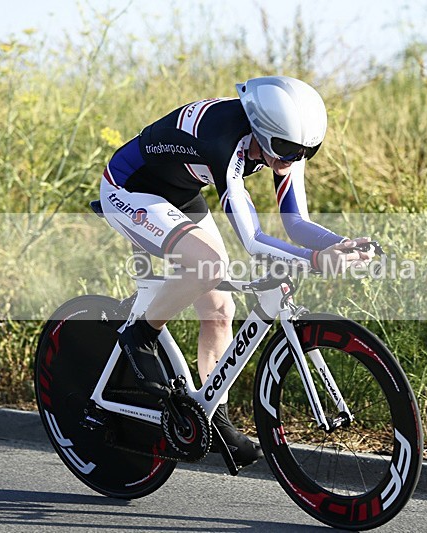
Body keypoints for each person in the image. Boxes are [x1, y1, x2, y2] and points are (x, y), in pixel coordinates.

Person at [99, 75, 373, 468]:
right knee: (210, 265)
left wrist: (336, 243)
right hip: (127, 190)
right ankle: (140, 335)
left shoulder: (283, 143)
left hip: (179, 192)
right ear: (260, 127)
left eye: (305, 152)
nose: (291, 160)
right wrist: (313, 261)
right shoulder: (224, 141)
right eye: (285, 149)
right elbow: (254, 239)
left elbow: (295, 221)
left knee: (220, 311)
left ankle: (215, 419)